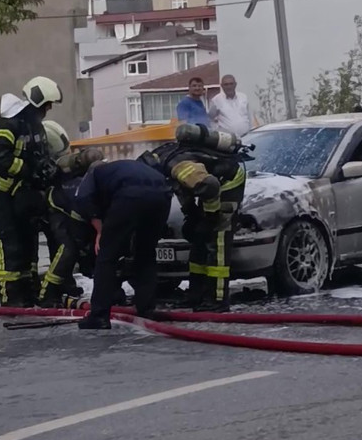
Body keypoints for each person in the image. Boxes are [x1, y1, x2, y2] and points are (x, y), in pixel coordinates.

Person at [144, 124, 249, 310]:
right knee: (199, 239)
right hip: (208, 187)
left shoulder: (177, 166)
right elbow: (183, 189)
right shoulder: (164, 164)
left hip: (228, 182)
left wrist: (210, 217)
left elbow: (210, 185)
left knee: (217, 239)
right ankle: (196, 294)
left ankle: (218, 299)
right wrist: (191, 214)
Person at [0, 75, 60, 307]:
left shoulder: (34, 126)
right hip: (0, 199)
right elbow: (0, 158)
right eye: (47, 104)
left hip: (21, 196)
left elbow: (39, 154)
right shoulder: (9, 123)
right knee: (10, 248)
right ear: (37, 101)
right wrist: (28, 171)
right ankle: (12, 299)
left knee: (28, 245)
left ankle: (29, 294)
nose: (49, 109)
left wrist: (44, 170)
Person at [74, 158, 173, 329]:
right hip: (162, 195)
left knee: (107, 257)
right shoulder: (124, 168)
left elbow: (84, 200)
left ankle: (99, 316)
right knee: (146, 254)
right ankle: (147, 310)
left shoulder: (93, 174)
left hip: (129, 195)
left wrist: (100, 232)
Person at [37, 133, 105, 307]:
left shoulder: (93, 180)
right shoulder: (77, 182)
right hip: (59, 209)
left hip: (75, 211)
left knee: (88, 251)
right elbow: (84, 212)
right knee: (67, 251)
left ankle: (69, 287)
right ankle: (48, 294)